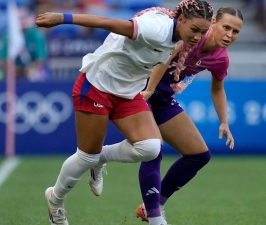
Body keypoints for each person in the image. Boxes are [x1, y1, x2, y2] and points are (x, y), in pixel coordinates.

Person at [35, 1, 213, 225]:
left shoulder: (178, 37)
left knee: (150, 147)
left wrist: (148, 89)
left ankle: (101, 158)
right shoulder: (156, 28)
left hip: (128, 92)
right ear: (182, 20)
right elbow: (108, 22)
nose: (197, 36)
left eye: (203, 32)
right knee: (86, 155)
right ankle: (55, 200)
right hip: (98, 86)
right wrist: (63, 18)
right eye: (194, 30)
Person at [87, 6, 244, 223]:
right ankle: (155, 218)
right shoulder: (192, 35)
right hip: (141, 88)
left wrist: (224, 121)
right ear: (214, 21)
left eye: (235, 32)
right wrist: (150, 89)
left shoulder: (220, 59)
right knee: (154, 148)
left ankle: (148, 198)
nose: (229, 35)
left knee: (199, 155)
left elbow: (217, 89)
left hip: (163, 96)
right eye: (226, 27)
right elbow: (164, 58)